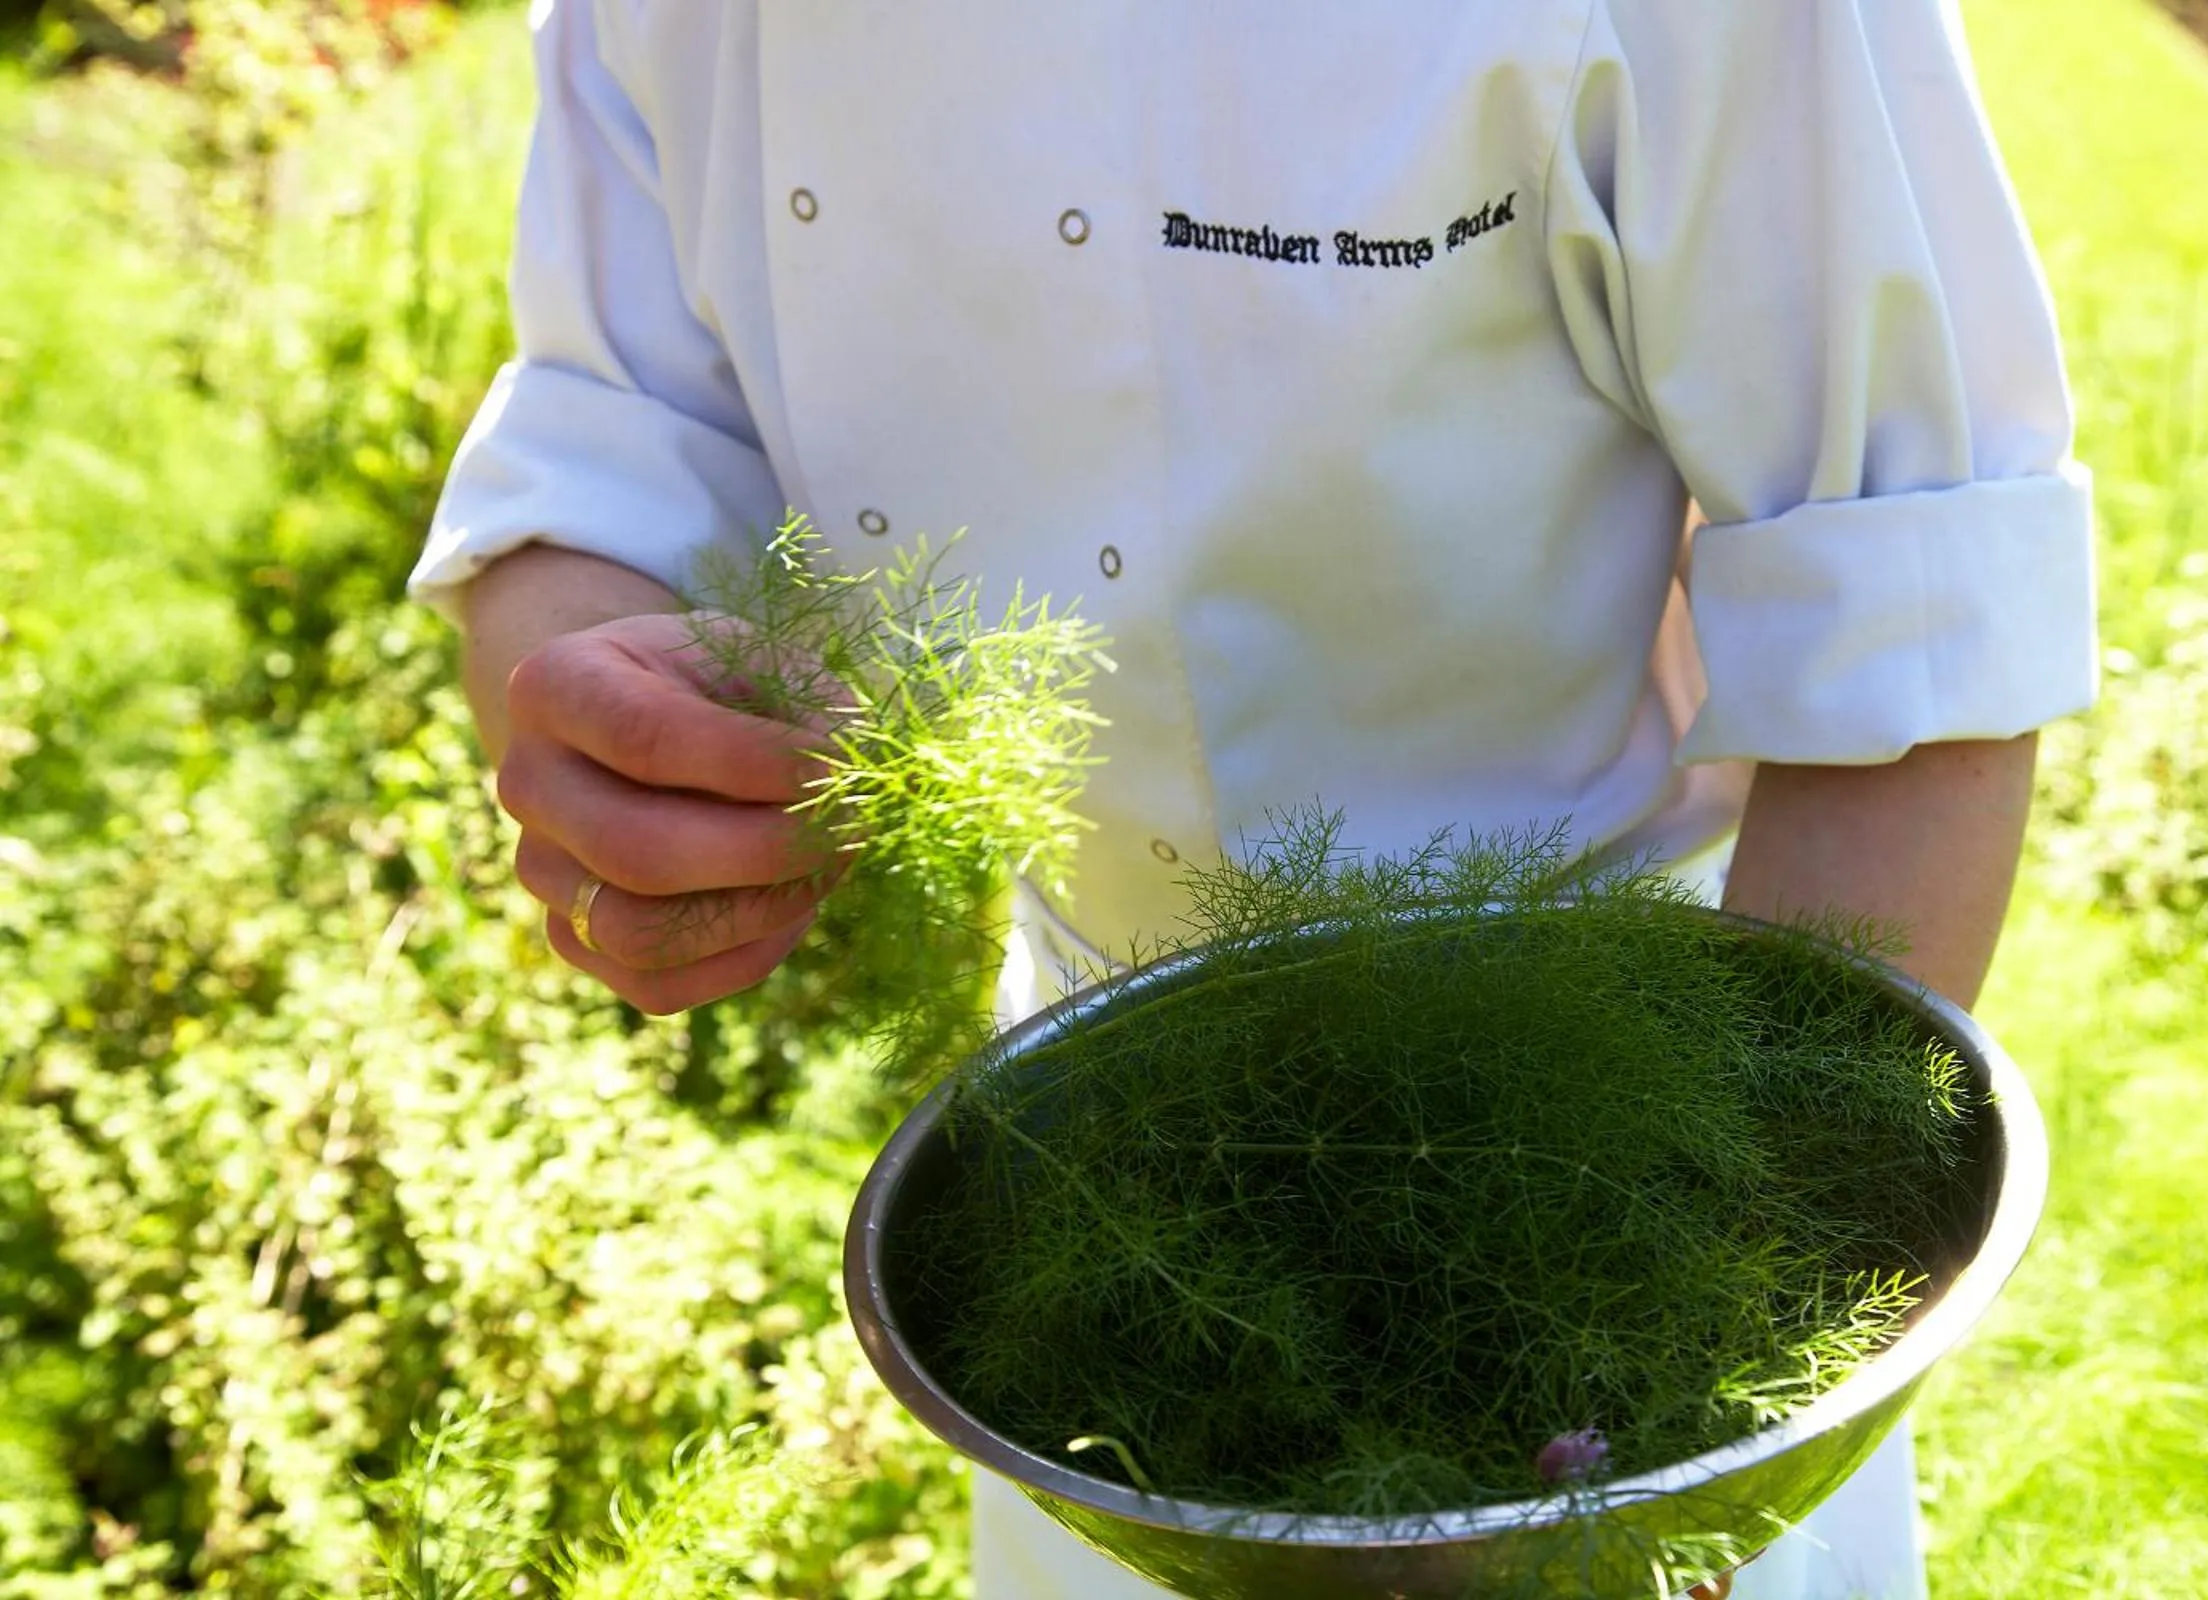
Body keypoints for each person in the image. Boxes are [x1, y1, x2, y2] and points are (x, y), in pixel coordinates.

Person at [411, 2, 2098, 1595]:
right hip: (1103, 1206)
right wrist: (602, 713)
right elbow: (618, 422)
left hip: (1660, 1141)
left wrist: (1674, 1403)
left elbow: (1913, 621)